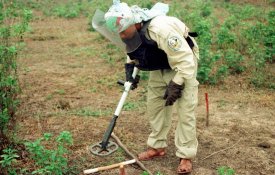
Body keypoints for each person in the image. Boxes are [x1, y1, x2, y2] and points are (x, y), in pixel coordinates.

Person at [102, 0, 200, 174]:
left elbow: (185, 60)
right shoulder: (129, 30)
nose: (122, 35)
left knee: (185, 110)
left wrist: (176, 85)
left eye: (123, 31)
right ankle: (157, 147)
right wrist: (131, 69)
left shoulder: (160, 29)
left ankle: (186, 154)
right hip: (159, 62)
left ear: (133, 22)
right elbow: (132, 48)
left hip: (182, 64)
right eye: (119, 33)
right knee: (155, 106)